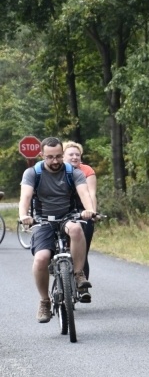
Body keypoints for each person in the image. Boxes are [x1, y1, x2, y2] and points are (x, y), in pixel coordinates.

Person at [18, 137, 96, 323]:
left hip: (68, 216)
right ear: (42, 156)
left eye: (59, 156)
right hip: (43, 219)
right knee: (41, 258)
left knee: (77, 230)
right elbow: (25, 197)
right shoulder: (32, 173)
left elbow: (84, 194)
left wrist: (89, 210)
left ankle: (78, 274)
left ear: (62, 154)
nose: (55, 161)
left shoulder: (73, 172)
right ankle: (45, 301)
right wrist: (23, 216)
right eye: (50, 157)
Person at [64, 141, 97, 302]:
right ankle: (60, 273)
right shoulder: (56, 172)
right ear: (63, 156)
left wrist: (91, 212)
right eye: (71, 154)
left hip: (82, 212)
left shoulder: (86, 171)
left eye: (77, 154)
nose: (75, 157)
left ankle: (82, 287)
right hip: (62, 213)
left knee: (82, 252)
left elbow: (91, 194)